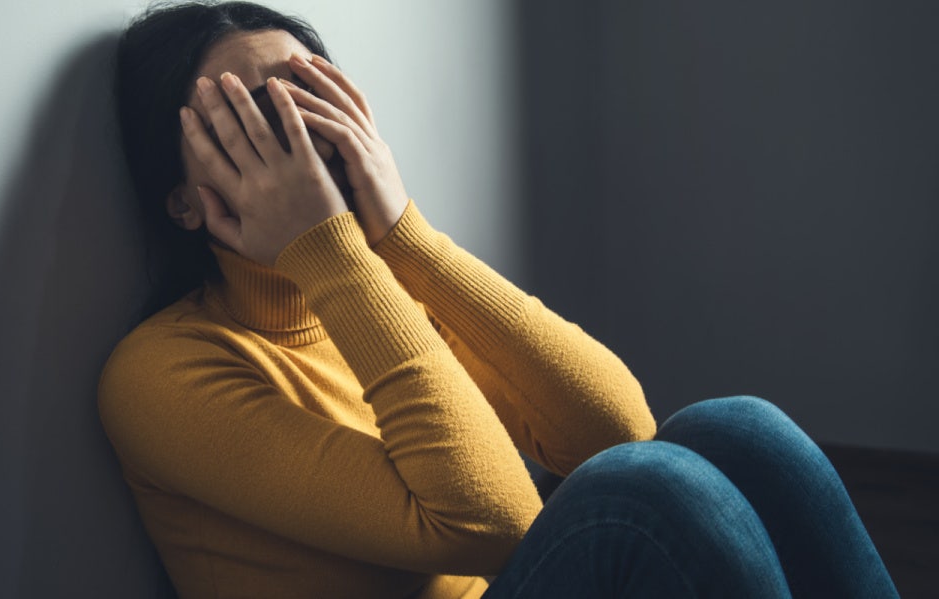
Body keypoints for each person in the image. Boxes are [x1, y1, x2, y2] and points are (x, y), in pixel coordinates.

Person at [98, 2, 900, 597]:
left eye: (314, 95)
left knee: (739, 428)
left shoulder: (363, 292)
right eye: (254, 115)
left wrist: (404, 233)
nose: (302, 133)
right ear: (181, 200)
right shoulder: (159, 373)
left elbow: (614, 429)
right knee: (645, 498)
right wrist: (334, 251)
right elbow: (493, 522)